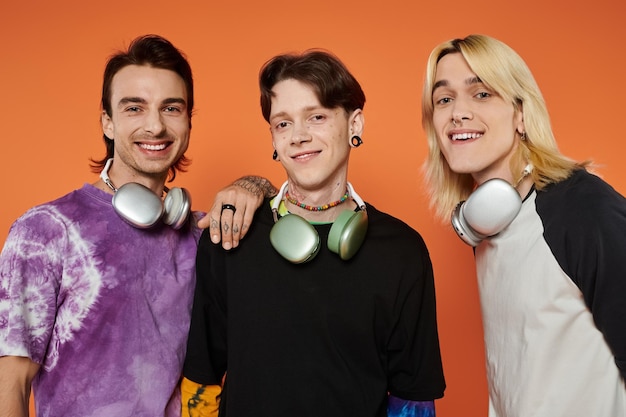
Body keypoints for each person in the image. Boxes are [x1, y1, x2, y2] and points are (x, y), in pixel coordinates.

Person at [0, 34, 275, 417]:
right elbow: (9, 381)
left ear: (188, 123)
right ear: (107, 123)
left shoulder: (203, 235)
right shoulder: (46, 230)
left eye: (171, 108)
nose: (155, 126)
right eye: (134, 108)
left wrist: (255, 185)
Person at [182, 49, 446, 417]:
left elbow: (412, 400)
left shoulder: (402, 251)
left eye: (317, 117)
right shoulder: (231, 235)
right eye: (283, 123)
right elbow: (201, 381)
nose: (298, 136)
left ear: (355, 125)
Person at [421, 34, 626, 417]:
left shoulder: (582, 208)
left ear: (520, 114)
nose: (457, 113)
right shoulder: (484, 224)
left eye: (481, 93)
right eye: (443, 99)